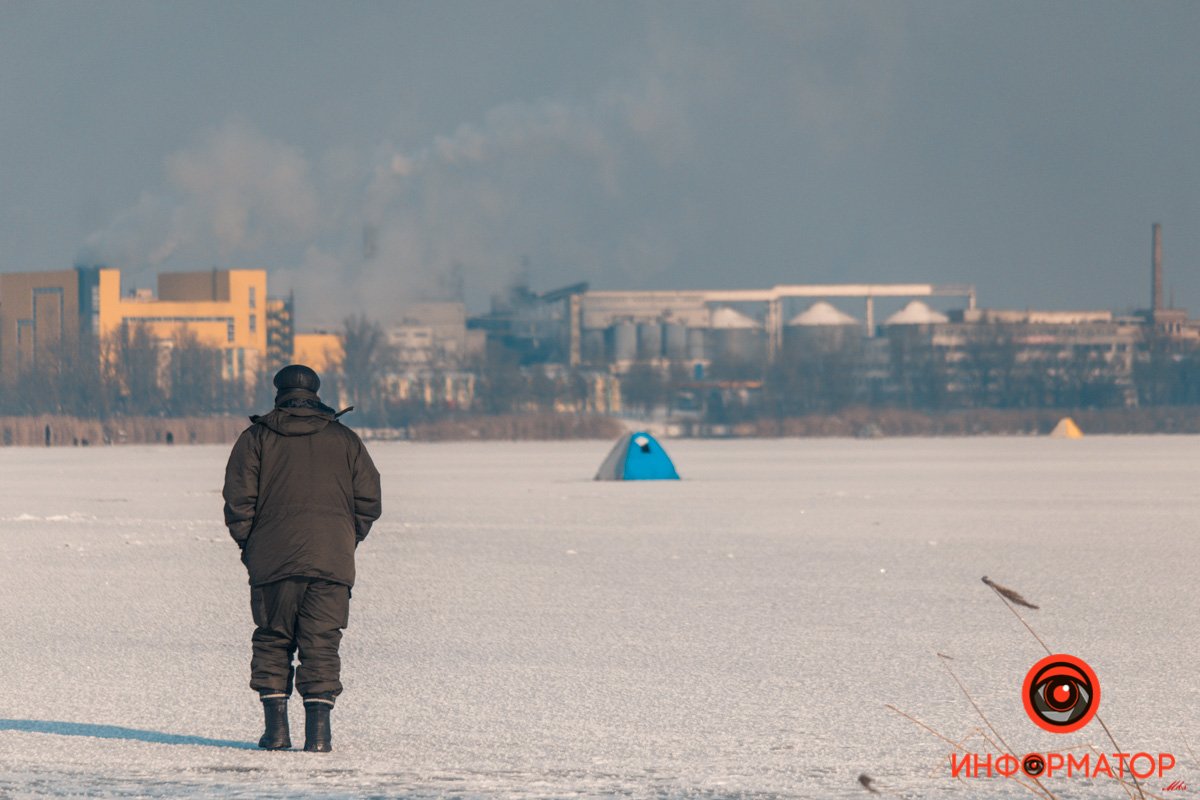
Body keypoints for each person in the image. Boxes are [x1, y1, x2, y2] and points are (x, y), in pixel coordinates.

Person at [223, 364, 382, 752]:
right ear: (316, 393)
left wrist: (252, 546)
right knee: (322, 643)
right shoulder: (346, 440)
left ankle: (276, 734)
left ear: (278, 392)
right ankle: (319, 738)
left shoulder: (256, 438)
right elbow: (369, 502)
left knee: (274, 638)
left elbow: (238, 501)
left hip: (272, 560)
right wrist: (344, 540)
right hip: (332, 562)